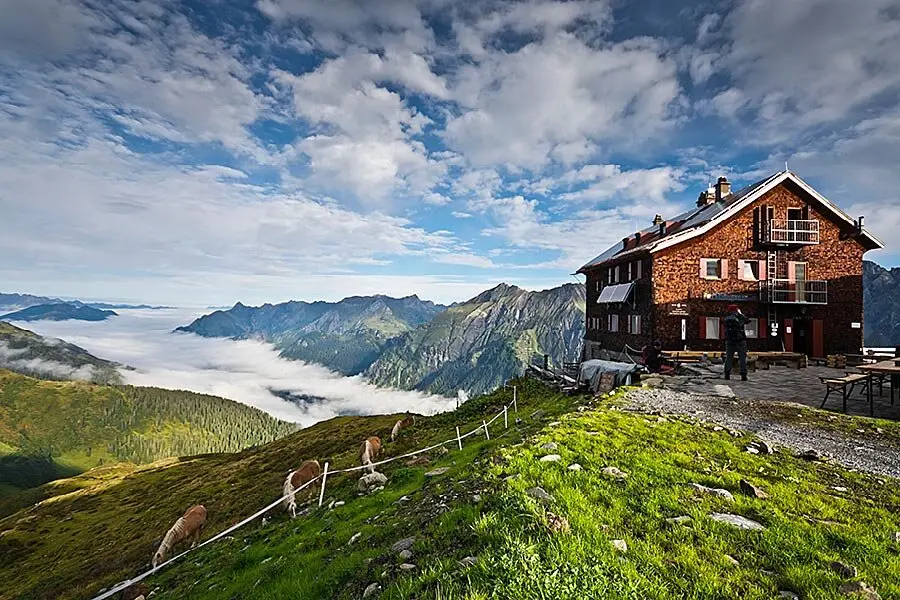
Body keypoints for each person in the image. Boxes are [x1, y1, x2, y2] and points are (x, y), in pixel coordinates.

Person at [723, 304, 750, 381]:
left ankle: (727, 374)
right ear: (737, 309)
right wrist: (740, 314)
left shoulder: (727, 318)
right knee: (742, 358)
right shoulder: (740, 317)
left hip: (729, 341)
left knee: (729, 358)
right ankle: (743, 375)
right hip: (740, 341)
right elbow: (748, 320)